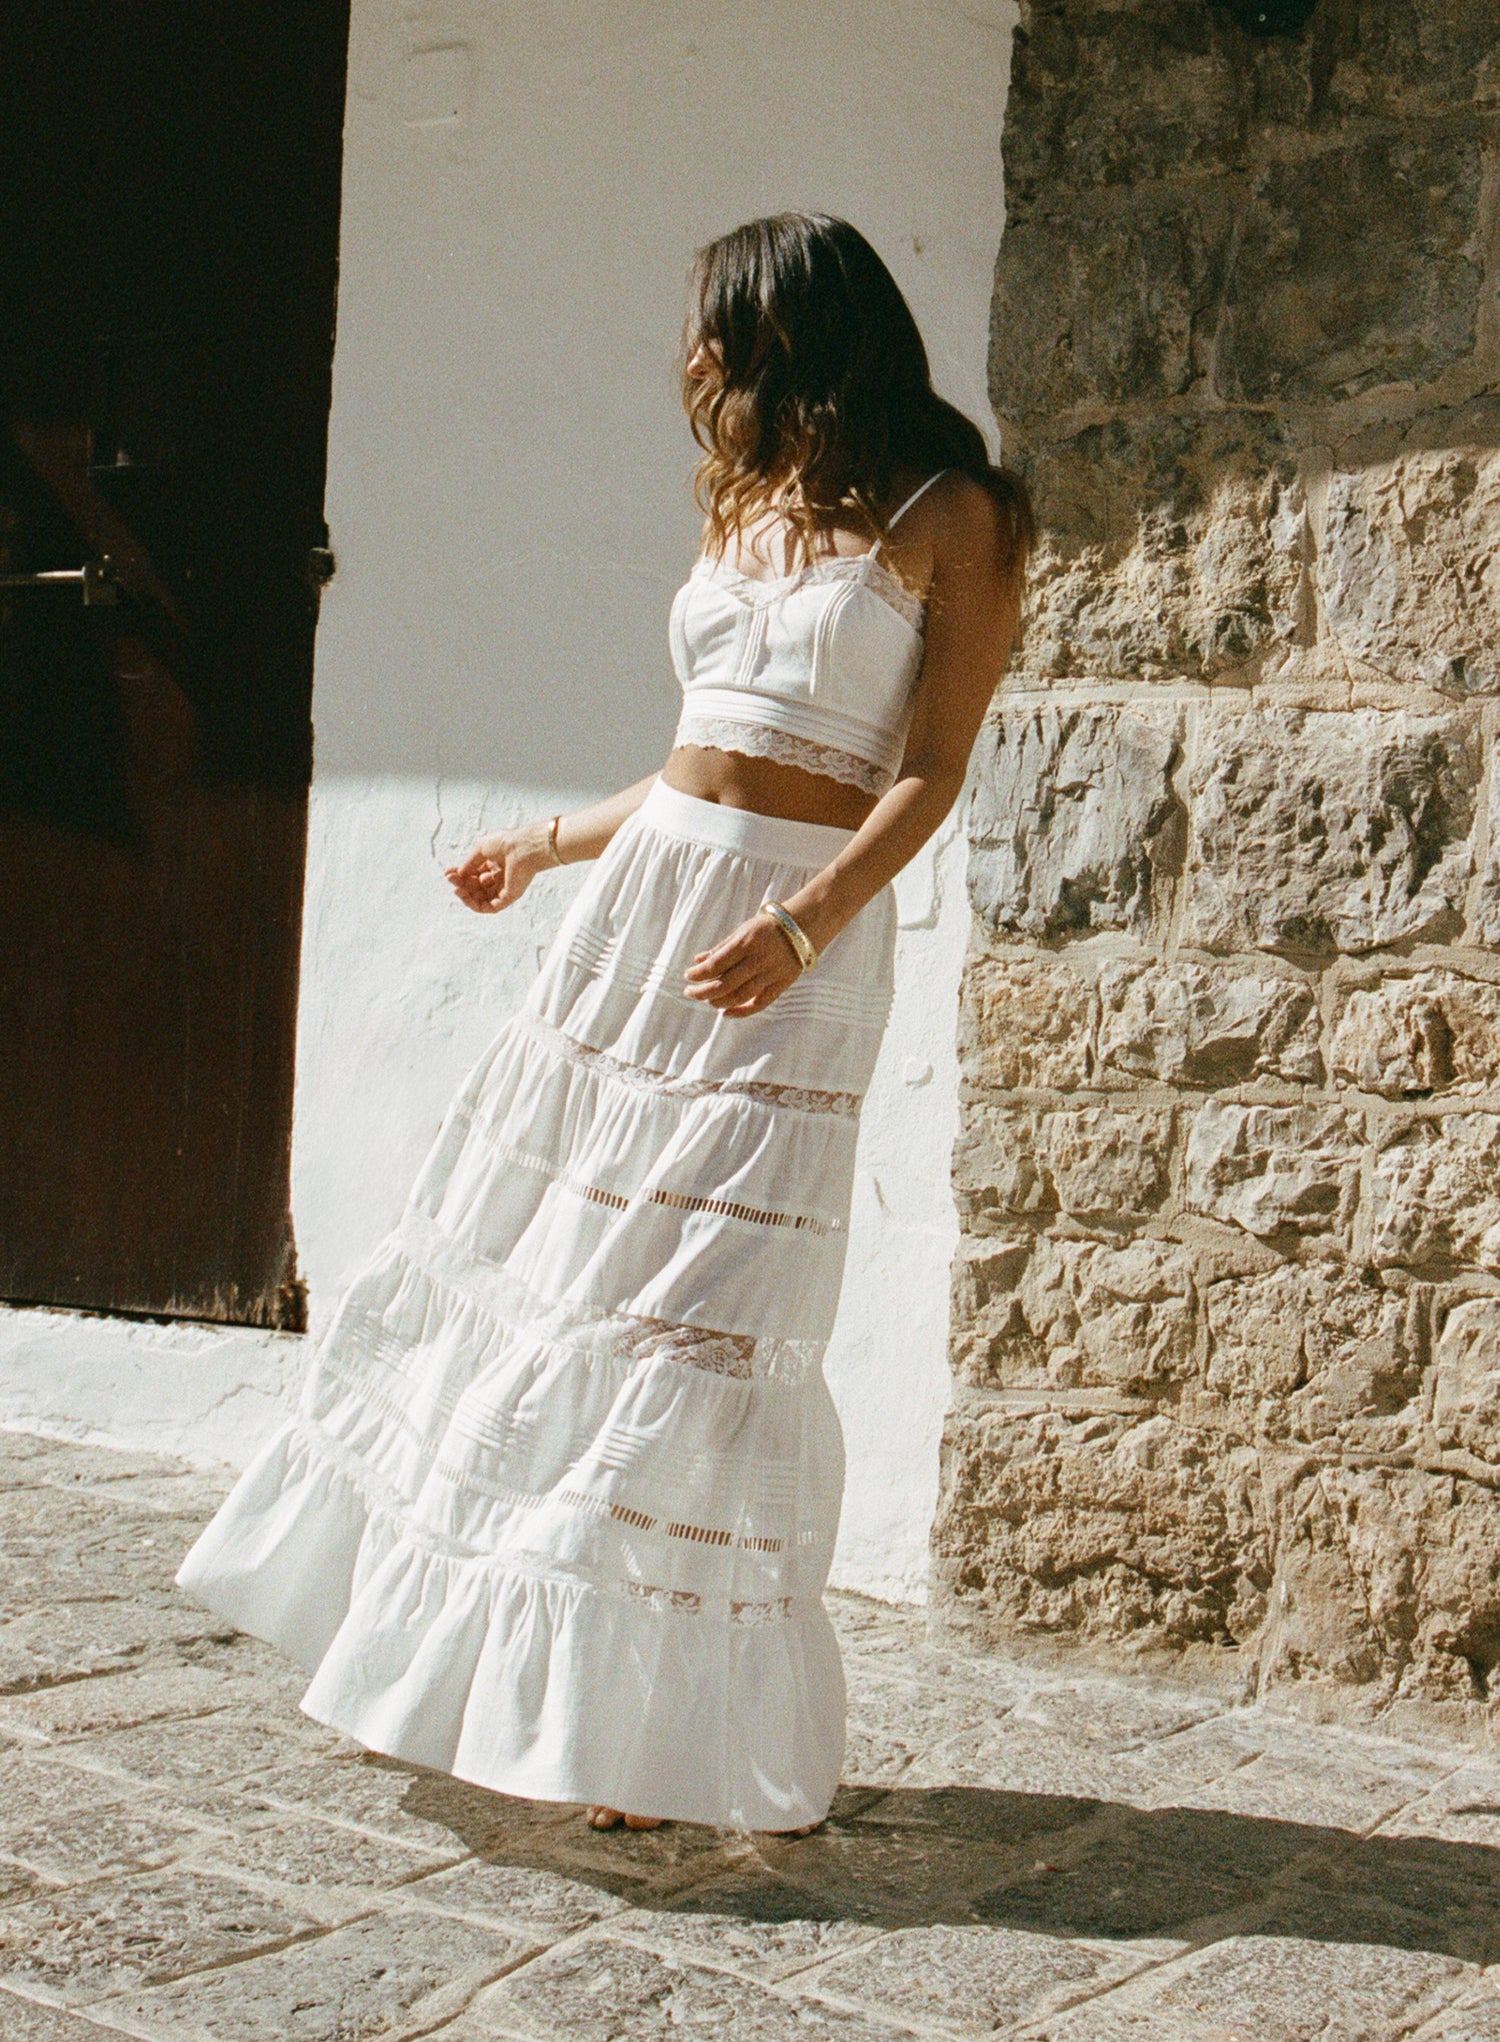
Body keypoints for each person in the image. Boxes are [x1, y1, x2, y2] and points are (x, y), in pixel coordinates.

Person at [177, 212, 1031, 1837]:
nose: (695, 360)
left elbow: (926, 768)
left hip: (788, 939)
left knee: (690, 1317)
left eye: (719, 328)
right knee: (554, 1269)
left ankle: (642, 1725)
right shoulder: (759, 499)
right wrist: (550, 843)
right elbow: (702, 752)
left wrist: (805, 919)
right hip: (646, 920)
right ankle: (497, 1684)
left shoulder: (954, 513)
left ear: (799, 329)